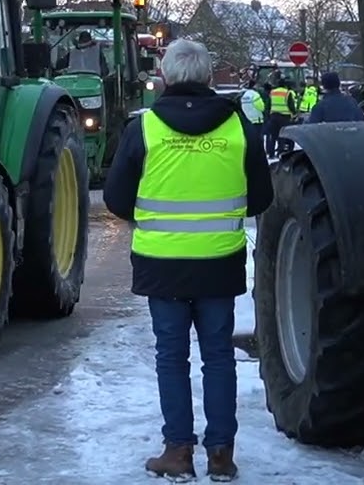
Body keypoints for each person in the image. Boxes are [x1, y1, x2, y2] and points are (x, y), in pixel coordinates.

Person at [103, 39, 273, 482]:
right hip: (219, 264)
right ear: (210, 77)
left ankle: (178, 452)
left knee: (171, 357)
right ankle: (221, 455)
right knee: (218, 357)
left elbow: (118, 200)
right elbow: (262, 198)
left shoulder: (144, 128)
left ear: (164, 77)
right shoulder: (239, 126)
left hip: (163, 267)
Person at [264, 76, 295, 156]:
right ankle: (280, 152)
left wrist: (268, 114)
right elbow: (290, 104)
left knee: (273, 135)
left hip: (273, 116)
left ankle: (271, 153)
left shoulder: (273, 92)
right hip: (284, 117)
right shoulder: (287, 93)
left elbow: (268, 104)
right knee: (282, 135)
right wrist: (294, 113)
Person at [239, 77, 264, 144]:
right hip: (257, 120)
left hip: (248, 119)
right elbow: (261, 107)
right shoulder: (255, 95)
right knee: (258, 138)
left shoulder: (244, 95)